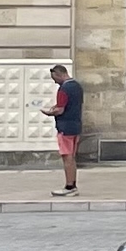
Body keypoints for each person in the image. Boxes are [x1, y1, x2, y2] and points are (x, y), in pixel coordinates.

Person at [42, 61, 83, 195]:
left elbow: (60, 110)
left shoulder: (63, 89)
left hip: (65, 126)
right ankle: (73, 185)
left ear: (60, 75)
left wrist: (48, 112)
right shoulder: (77, 86)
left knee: (67, 157)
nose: (55, 82)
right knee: (72, 157)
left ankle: (69, 187)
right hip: (76, 125)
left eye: (55, 79)